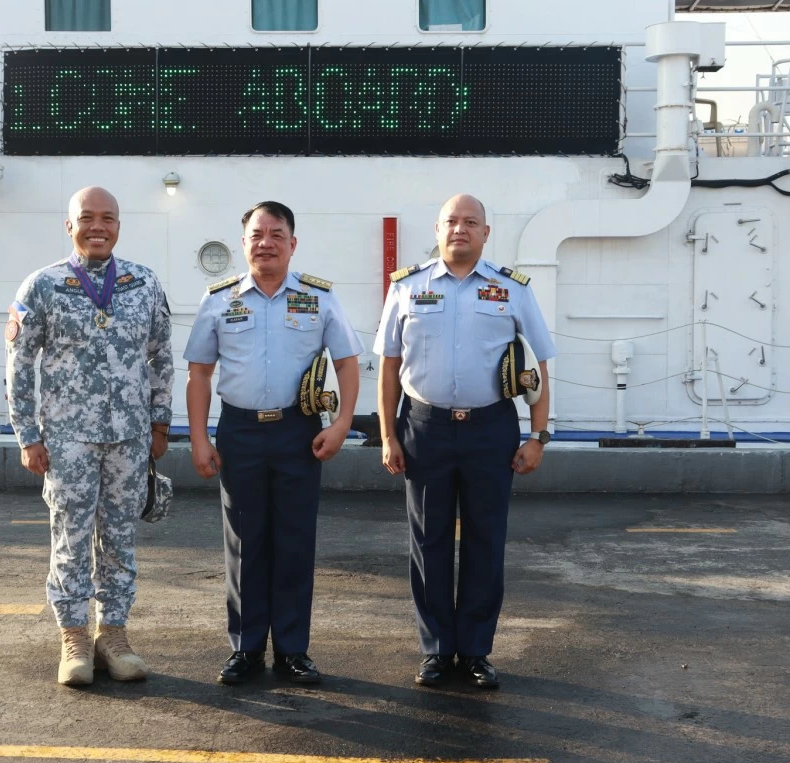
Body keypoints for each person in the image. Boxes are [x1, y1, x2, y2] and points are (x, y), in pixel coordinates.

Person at [374, 194, 555, 689]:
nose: (461, 229)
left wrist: (538, 435)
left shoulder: (511, 289)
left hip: (490, 429)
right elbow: (389, 366)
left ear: (485, 233)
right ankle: (436, 651)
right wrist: (388, 434)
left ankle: (475, 651)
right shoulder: (408, 287)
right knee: (429, 541)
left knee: (484, 541)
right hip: (424, 428)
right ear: (436, 229)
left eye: (471, 222)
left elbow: (539, 363)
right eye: (452, 221)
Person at [184, 201, 363, 685]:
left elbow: (347, 362)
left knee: (294, 540)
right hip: (240, 431)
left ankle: (291, 650)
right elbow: (200, 374)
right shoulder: (219, 299)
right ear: (244, 244)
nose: (266, 243)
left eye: (276, 234)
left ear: (292, 243)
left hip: (298, 431)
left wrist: (342, 423)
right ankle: (245, 649)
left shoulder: (318, 298)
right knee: (244, 542)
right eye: (257, 235)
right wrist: (199, 439)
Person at [6, 186, 173, 687]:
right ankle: (74, 638)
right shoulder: (43, 286)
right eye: (87, 218)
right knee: (71, 539)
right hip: (67, 440)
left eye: (108, 218)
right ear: (69, 225)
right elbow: (19, 364)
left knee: (120, 539)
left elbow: (162, 355)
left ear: (119, 226)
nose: (98, 226)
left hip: (128, 437)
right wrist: (27, 435)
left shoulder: (142, 282)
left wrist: (160, 422)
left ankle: (114, 636)